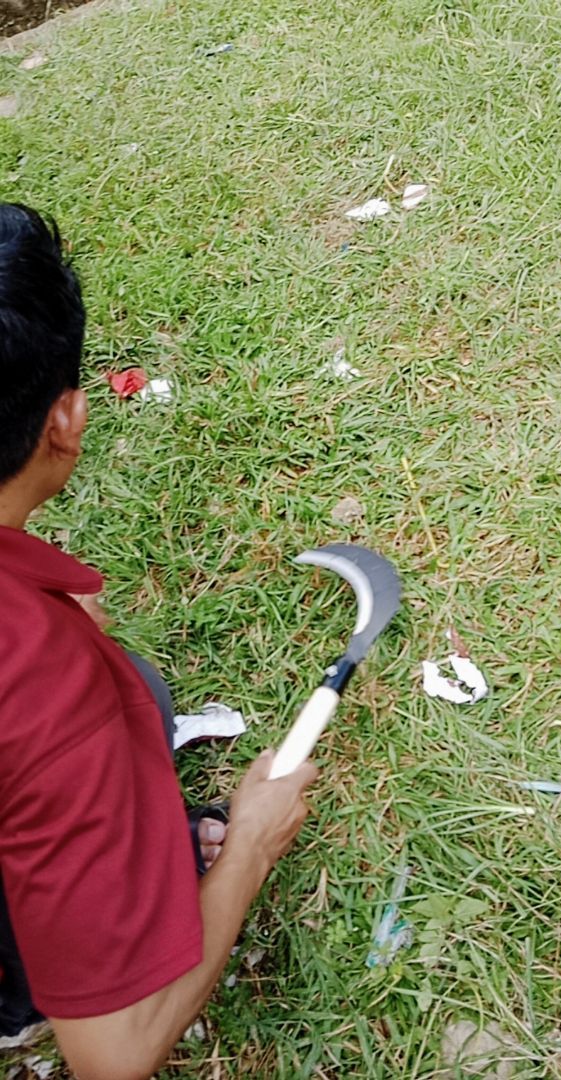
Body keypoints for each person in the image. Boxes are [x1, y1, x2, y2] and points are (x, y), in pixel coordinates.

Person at [0, 203, 317, 1080]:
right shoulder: (46, 692)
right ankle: (18, 1004)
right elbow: (116, 1054)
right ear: (66, 420)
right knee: (129, 695)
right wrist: (250, 844)